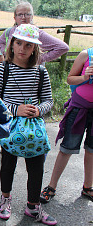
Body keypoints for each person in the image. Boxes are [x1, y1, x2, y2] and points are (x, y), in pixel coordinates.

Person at [0, 24, 57, 225]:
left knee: (37, 167)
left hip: (34, 131)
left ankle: (33, 206)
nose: (22, 49)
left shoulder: (41, 72)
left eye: (28, 45)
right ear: (11, 44)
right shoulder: (3, 69)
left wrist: (39, 109)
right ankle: (5, 199)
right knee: (7, 165)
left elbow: (48, 100)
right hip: (10, 128)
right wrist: (15, 109)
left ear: (35, 49)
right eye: (18, 43)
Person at [40, 48, 93, 203]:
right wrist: (85, 76)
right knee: (67, 148)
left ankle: (88, 187)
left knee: (91, 150)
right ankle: (51, 186)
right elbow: (70, 79)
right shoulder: (86, 54)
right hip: (78, 108)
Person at [0, 0, 69, 64]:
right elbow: (0, 42)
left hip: (32, 73)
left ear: (32, 16)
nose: (23, 17)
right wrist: (7, 54)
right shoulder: (10, 31)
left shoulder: (38, 34)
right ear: (15, 18)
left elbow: (63, 47)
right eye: (20, 14)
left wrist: (38, 59)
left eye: (27, 14)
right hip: (11, 71)